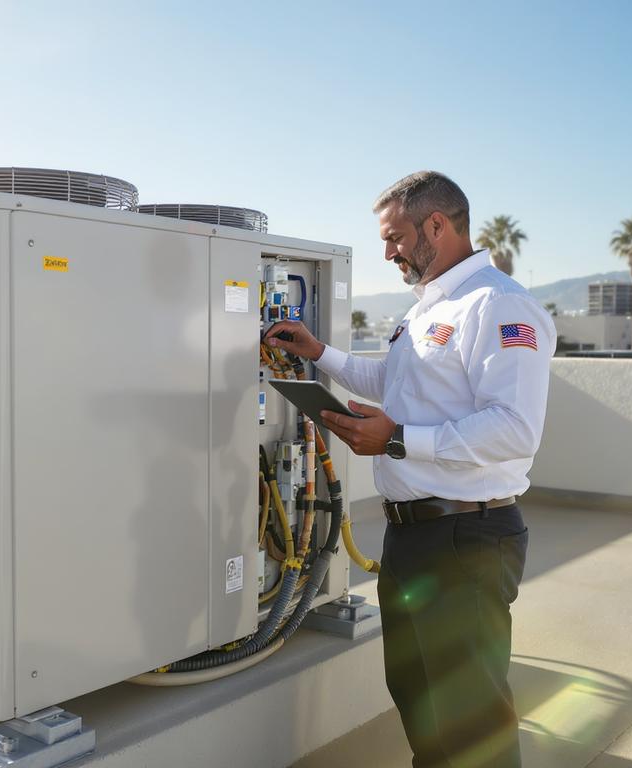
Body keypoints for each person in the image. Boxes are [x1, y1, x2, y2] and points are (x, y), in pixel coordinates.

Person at [265, 171, 555, 768]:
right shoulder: (429, 307)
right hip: (412, 538)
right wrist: (319, 354)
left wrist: (397, 440)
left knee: (471, 715)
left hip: (466, 538)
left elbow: (514, 428)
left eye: (394, 238)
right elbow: (393, 381)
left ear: (437, 225)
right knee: (419, 697)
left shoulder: (498, 304)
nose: (388, 253)